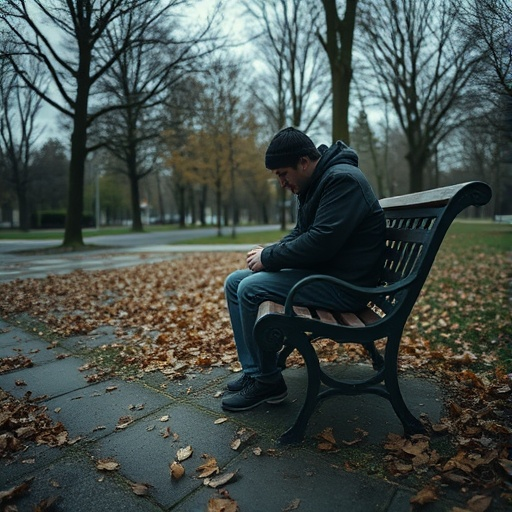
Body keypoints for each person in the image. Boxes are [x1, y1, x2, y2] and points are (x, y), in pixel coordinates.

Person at [221, 127, 386, 412]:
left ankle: (268, 382)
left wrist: (270, 256)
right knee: (235, 281)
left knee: (250, 288)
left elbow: (320, 243)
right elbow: (301, 233)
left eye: (283, 174)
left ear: (304, 162)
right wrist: (268, 252)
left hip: (345, 287)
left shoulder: (342, 181)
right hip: (326, 275)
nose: (282, 182)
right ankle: (254, 372)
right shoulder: (317, 184)